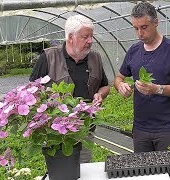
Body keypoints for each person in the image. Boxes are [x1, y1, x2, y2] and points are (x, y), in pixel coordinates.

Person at [114, 2, 170, 178]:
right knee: (144, 175)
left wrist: (158, 89)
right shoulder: (134, 50)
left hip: (167, 129)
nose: (140, 33)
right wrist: (121, 86)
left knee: (169, 175)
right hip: (140, 128)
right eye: (136, 28)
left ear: (156, 22)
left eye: (144, 27)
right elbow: (118, 77)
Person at [29, 14, 110, 163]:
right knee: (61, 171)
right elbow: (32, 92)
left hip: (85, 129)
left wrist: (100, 94)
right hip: (56, 133)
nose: (90, 41)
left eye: (91, 36)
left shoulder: (95, 58)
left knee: (84, 168)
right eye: (85, 37)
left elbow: (105, 86)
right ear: (71, 37)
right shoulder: (49, 57)